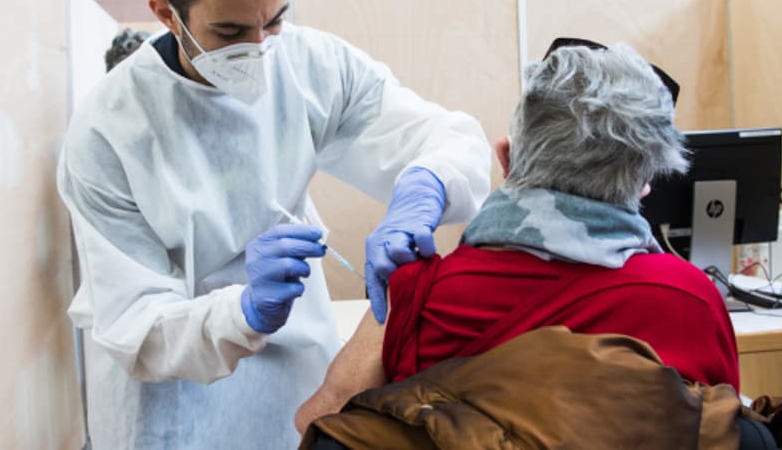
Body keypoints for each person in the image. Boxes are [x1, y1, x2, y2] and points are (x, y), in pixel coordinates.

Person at [55, 0, 490, 448]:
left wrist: (424, 189)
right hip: (173, 404)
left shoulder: (314, 67)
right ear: (167, 14)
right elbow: (136, 328)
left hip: (295, 377)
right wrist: (242, 310)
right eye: (231, 31)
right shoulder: (107, 133)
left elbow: (449, 139)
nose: (261, 48)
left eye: (276, 18)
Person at [295, 39, 741, 438]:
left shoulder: (417, 295)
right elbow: (717, 429)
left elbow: (318, 423)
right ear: (644, 184)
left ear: (505, 157)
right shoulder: (690, 300)